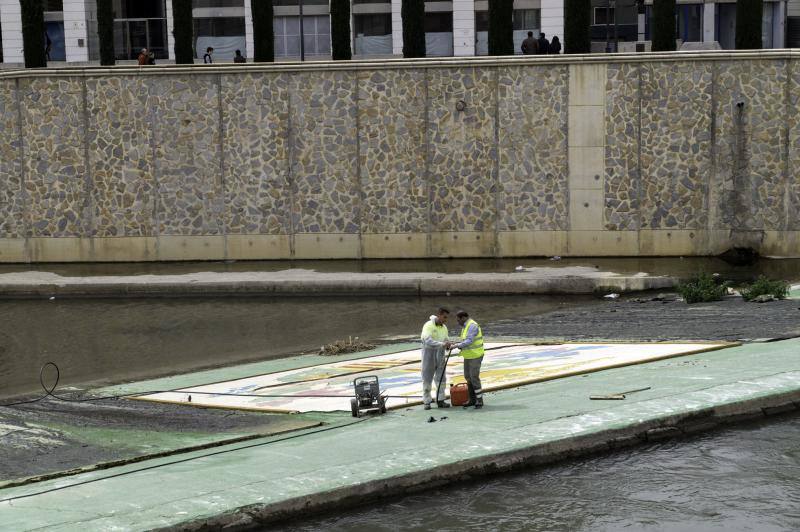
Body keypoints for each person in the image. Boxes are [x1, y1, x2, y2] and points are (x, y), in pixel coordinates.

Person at [446, 311, 485, 409]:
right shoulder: (465, 326)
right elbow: (465, 340)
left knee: (474, 377)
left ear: (463, 318)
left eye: (458, 320)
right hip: (468, 356)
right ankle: (472, 399)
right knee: (468, 377)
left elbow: (469, 341)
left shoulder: (472, 326)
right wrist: (457, 343)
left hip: (476, 355)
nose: (457, 322)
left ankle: (479, 400)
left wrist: (456, 346)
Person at [420, 308, 451, 410]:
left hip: (440, 354)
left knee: (441, 378)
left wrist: (447, 345)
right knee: (427, 377)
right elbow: (427, 340)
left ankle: (440, 400)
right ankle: (427, 401)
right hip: (429, 354)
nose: (445, 320)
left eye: (447, 317)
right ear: (439, 315)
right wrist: (442, 344)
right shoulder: (428, 325)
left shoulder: (444, 327)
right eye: (444, 317)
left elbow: (446, 339)